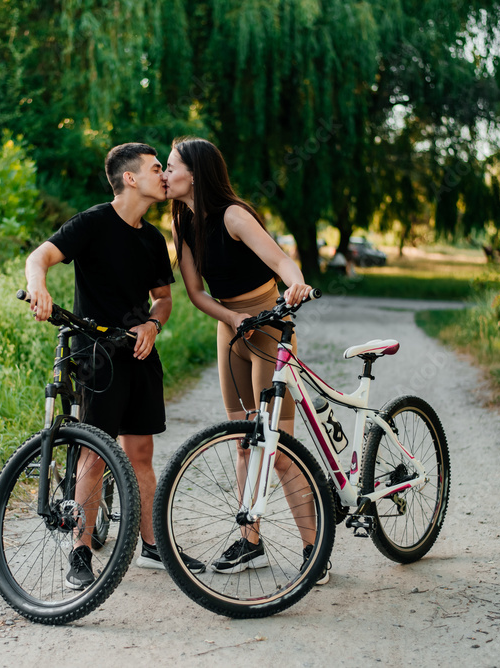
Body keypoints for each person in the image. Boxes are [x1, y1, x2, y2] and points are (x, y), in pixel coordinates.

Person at [25, 142, 204, 590]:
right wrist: (39, 288)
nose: (164, 175)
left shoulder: (150, 238)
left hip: (139, 354)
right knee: (95, 454)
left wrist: (152, 325)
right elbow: (39, 257)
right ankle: (80, 551)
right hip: (96, 356)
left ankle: (152, 545)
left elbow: (163, 298)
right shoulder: (93, 223)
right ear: (130, 178)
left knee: (141, 454)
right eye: (156, 168)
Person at [163, 137, 329, 585]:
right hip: (230, 328)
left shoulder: (235, 215)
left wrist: (296, 285)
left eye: (171, 165)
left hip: (269, 325)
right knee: (243, 440)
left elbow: (281, 260)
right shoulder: (181, 223)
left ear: (194, 173)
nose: (164, 173)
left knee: (278, 451)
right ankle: (250, 541)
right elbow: (197, 293)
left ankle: (315, 550)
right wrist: (232, 318)